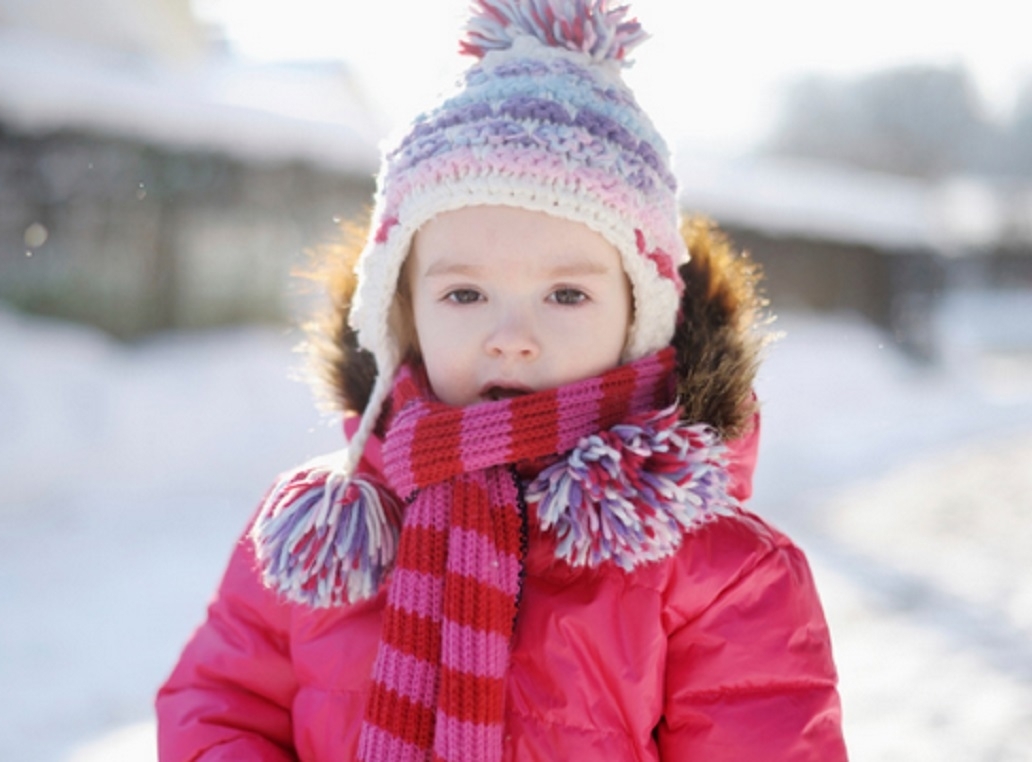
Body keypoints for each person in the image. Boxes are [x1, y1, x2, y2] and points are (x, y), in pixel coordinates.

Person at [157, 1, 847, 759]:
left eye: (565, 295)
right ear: (403, 315)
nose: (511, 339)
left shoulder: (717, 574)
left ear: (639, 319)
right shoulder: (327, 537)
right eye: (464, 295)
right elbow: (219, 708)